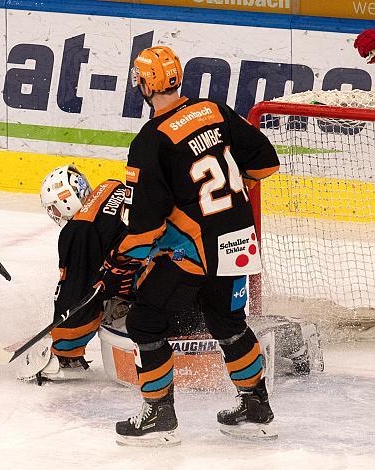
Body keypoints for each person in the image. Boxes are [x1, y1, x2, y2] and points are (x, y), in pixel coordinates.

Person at [95, 46, 280, 446]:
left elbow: (145, 226)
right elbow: (266, 164)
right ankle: (256, 406)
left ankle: (159, 415)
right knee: (227, 321)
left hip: (197, 251)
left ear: (144, 84)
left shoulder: (151, 140)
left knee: (145, 320)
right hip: (239, 240)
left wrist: (121, 261)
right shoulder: (214, 110)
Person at [16, 165, 131, 384]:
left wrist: (63, 346)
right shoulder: (108, 192)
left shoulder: (78, 232)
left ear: (66, 200)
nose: (54, 215)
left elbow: (74, 289)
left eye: (54, 208)